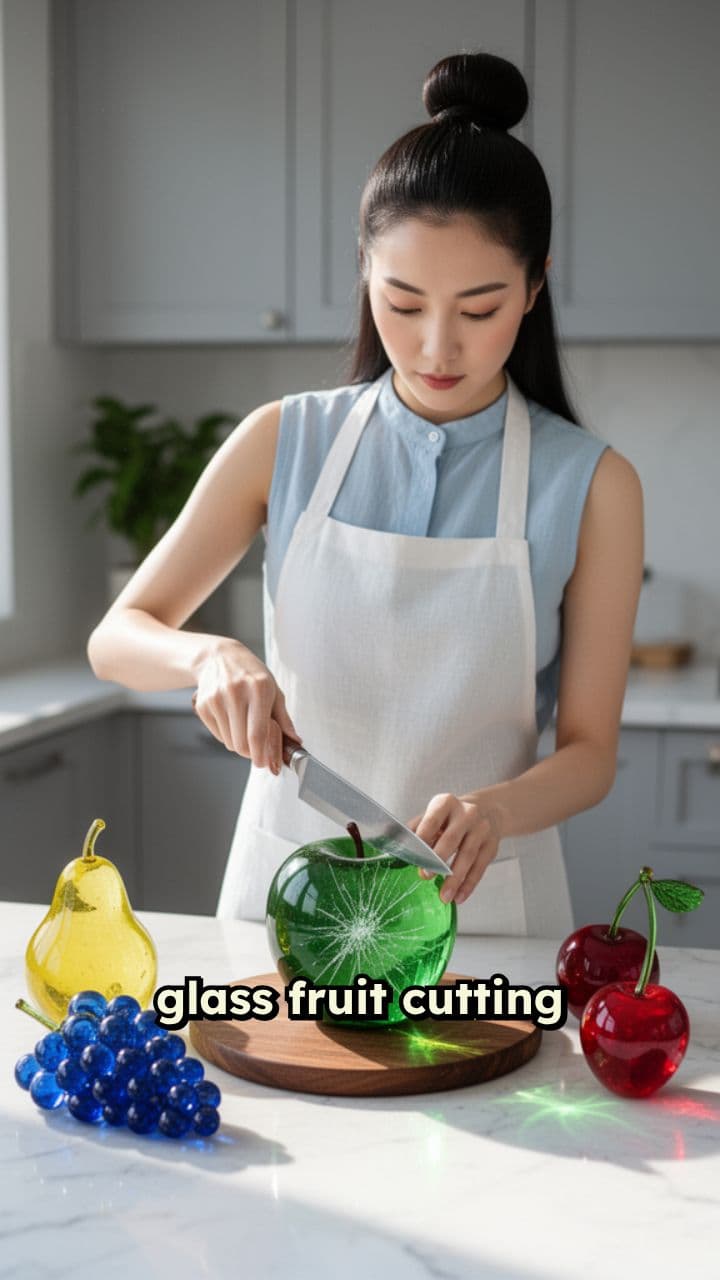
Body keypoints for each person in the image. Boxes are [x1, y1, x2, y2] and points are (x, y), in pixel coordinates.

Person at [86, 50, 643, 937]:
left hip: (484, 910)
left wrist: (496, 810)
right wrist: (207, 658)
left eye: (480, 307)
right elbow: (116, 638)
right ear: (365, 274)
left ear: (535, 286)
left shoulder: (593, 484)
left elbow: (590, 753)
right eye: (404, 300)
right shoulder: (283, 438)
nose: (435, 347)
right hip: (290, 893)